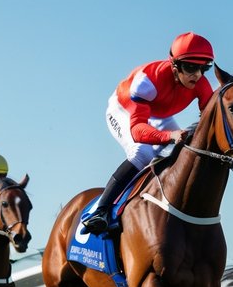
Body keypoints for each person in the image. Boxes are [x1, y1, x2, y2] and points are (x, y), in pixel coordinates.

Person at [83, 32, 217, 235]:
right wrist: (169, 136)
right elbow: (137, 130)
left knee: (184, 152)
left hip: (158, 114)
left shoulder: (201, 84)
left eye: (204, 68)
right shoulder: (147, 81)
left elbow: (210, 124)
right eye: (191, 67)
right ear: (174, 65)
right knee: (142, 153)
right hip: (125, 111)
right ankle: (100, 211)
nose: (197, 75)